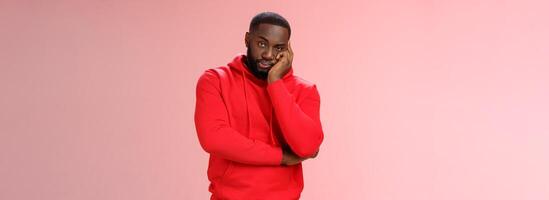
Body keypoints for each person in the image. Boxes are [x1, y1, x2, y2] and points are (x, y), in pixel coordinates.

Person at [194, 11, 324, 200]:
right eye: (262, 43)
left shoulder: (305, 90)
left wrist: (275, 83)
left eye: (278, 48)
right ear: (247, 39)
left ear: (287, 51)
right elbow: (214, 139)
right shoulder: (214, 80)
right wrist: (282, 157)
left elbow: (307, 147)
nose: (268, 54)